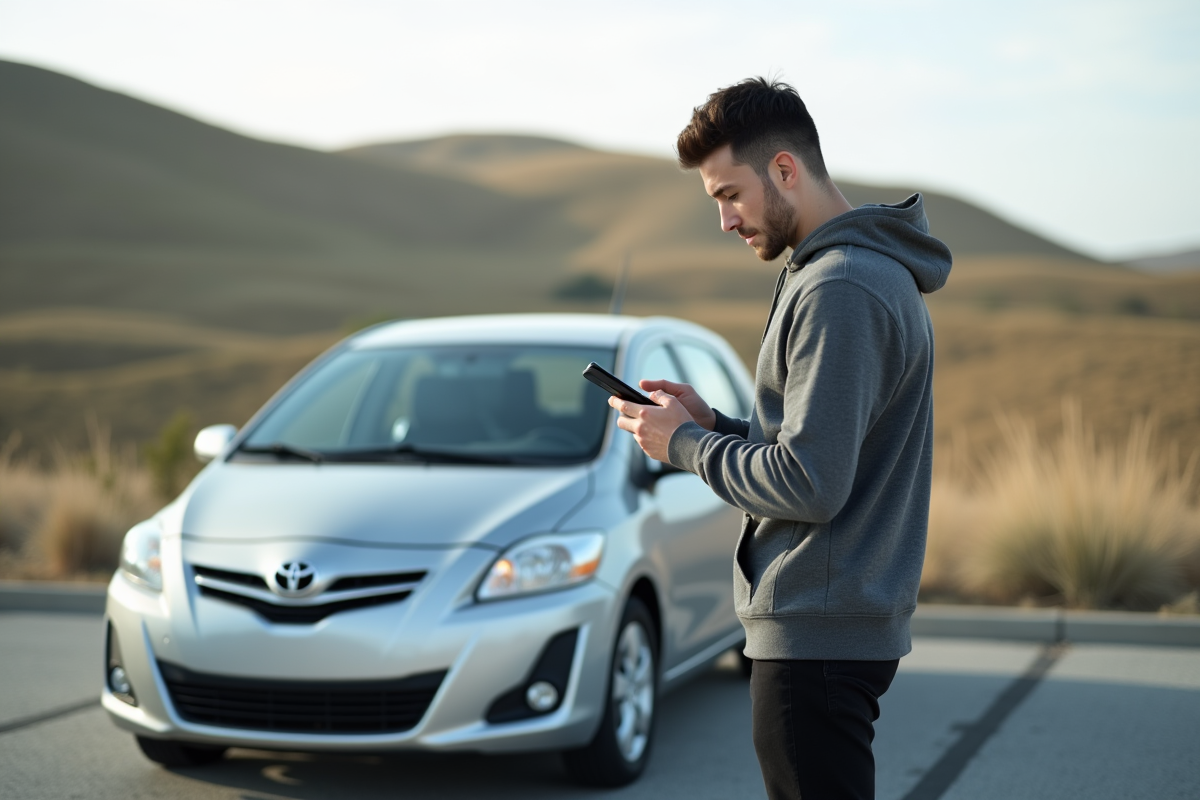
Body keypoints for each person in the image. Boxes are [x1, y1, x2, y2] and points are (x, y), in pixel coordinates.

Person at [608, 77, 952, 800]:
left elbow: (811, 483)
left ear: (785, 169)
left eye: (729, 194)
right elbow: (821, 449)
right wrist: (716, 427)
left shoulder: (842, 286)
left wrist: (684, 448)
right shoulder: (852, 273)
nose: (725, 221)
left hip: (816, 635)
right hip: (831, 623)